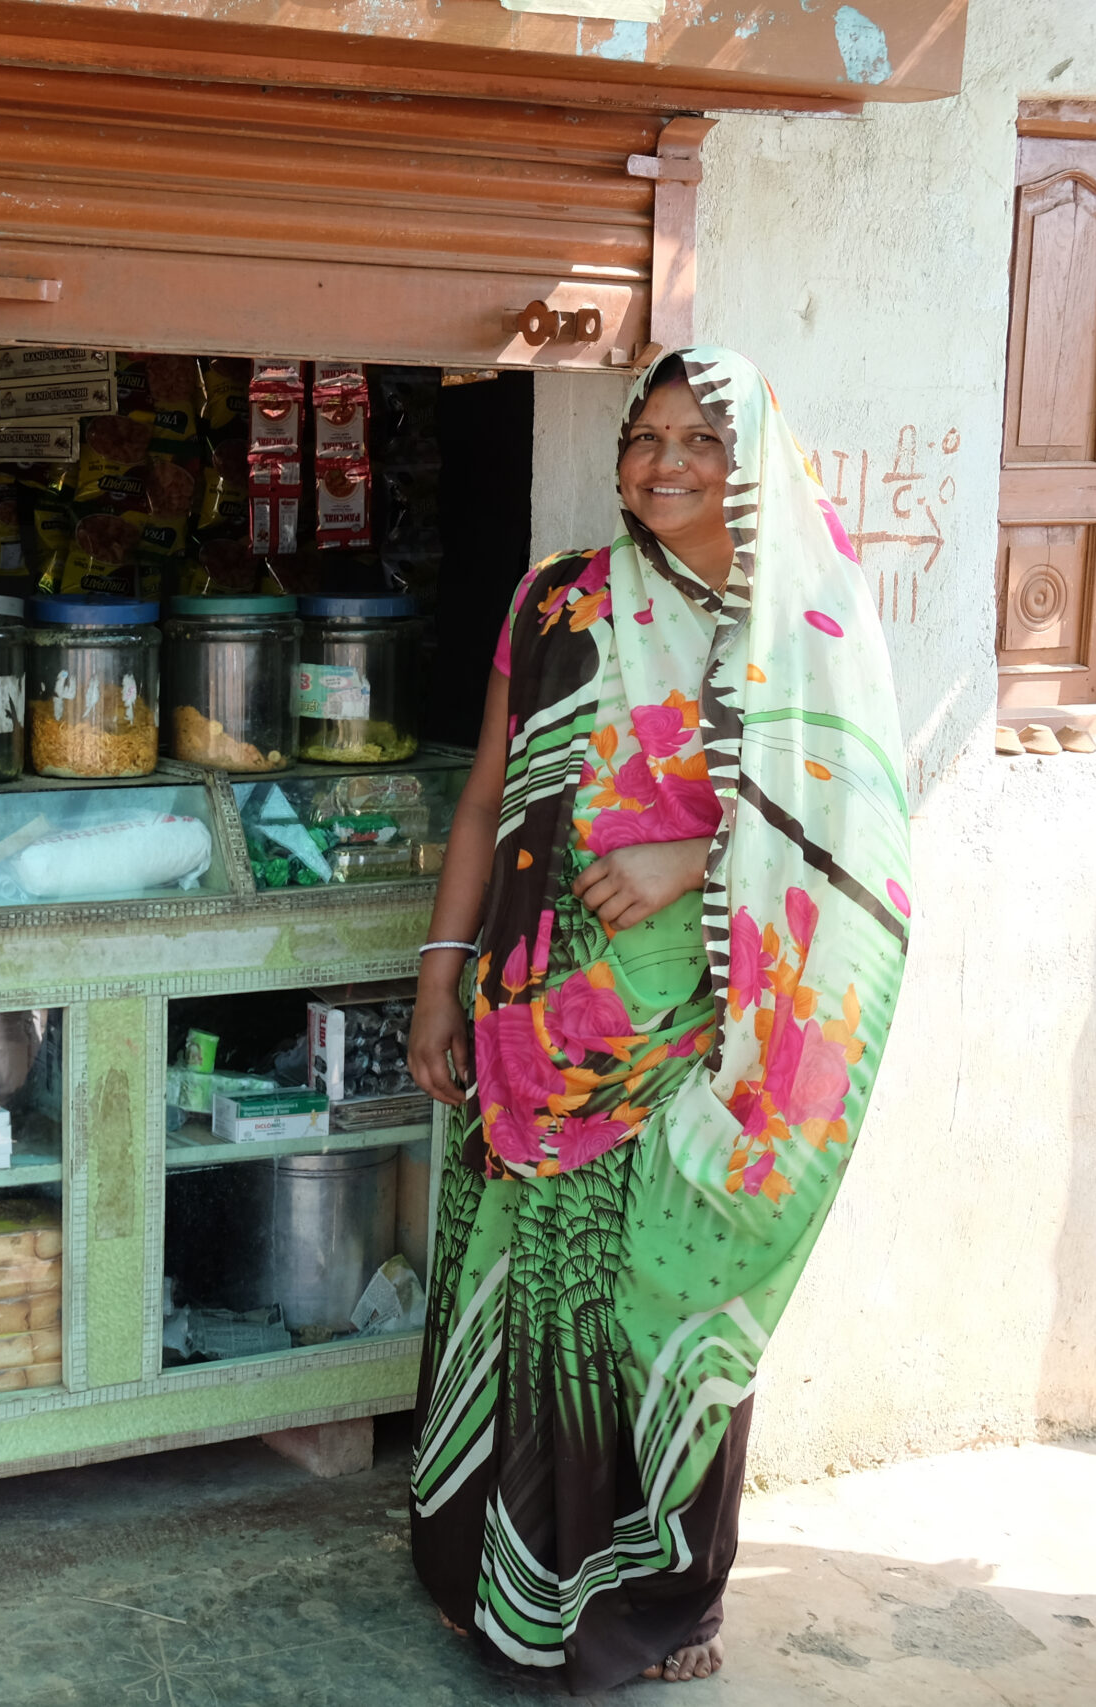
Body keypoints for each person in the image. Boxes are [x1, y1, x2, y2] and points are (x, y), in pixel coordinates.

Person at [406, 348, 912, 1692]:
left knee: (660, 1309)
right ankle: (488, 1579)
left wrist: (687, 862)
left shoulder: (797, 622)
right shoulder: (560, 599)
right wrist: (440, 977)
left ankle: (662, 1606)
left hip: (702, 1033)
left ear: (753, 463)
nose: (667, 462)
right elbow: (485, 800)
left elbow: (852, 821)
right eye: (647, 436)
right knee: (520, 1300)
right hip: (530, 1016)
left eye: (701, 438)